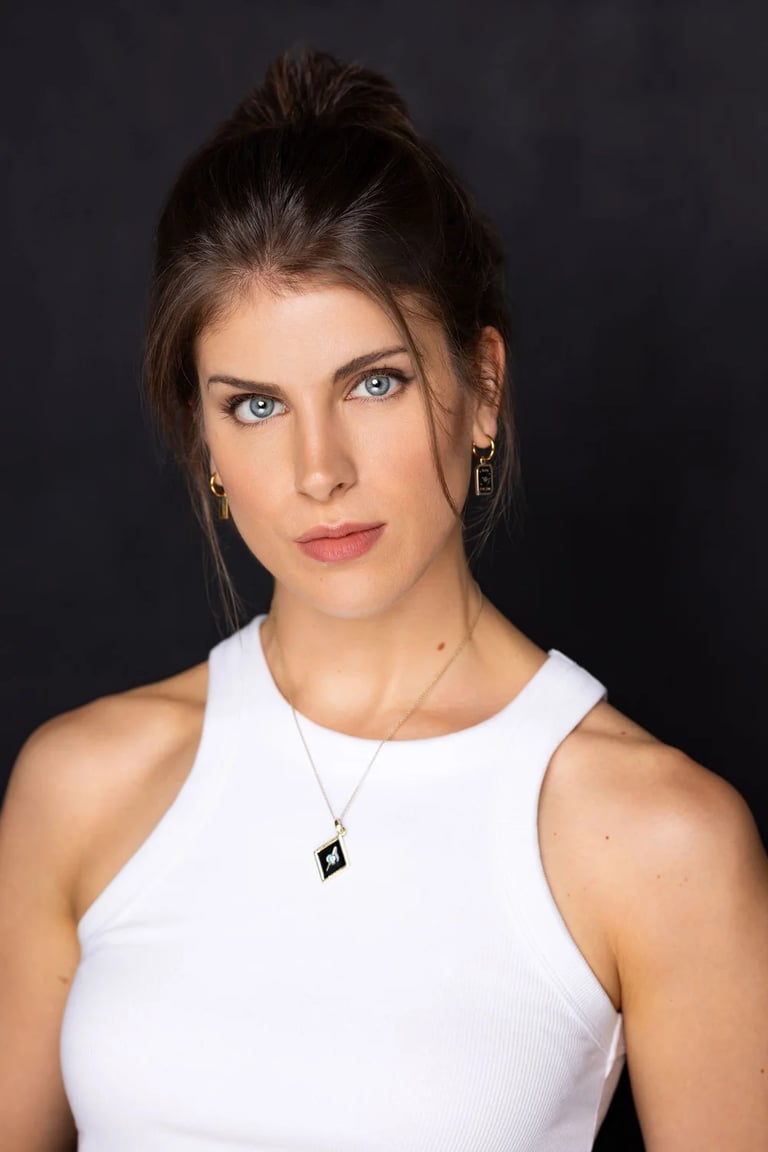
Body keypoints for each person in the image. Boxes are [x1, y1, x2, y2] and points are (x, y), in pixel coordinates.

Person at [1, 48, 766, 1152]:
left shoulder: (659, 840)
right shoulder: (80, 786)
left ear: (482, 388)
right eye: (256, 405)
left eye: (374, 382)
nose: (320, 470)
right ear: (203, 438)